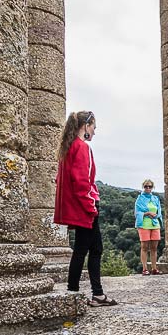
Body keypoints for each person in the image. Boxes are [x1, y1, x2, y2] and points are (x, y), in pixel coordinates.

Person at [54, 110, 118, 307]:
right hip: (85, 206)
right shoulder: (82, 148)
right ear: (86, 125)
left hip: (77, 206)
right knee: (91, 249)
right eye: (94, 128)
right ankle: (92, 294)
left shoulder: (68, 147)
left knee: (86, 248)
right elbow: (82, 182)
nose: (94, 132)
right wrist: (91, 206)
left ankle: (75, 291)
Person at [135, 179, 163, 275]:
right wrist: (147, 213)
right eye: (146, 186)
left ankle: (154, 268)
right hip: (143, 224)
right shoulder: (140, 199)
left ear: (152, 187)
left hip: (155, 224)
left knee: (154, 247)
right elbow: (137, 212)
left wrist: (156, 215)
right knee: (144, 247)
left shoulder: (156, 198)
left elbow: (159, 210)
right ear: (143, 187)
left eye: (150, 186)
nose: (148, 188)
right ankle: (144, 269)